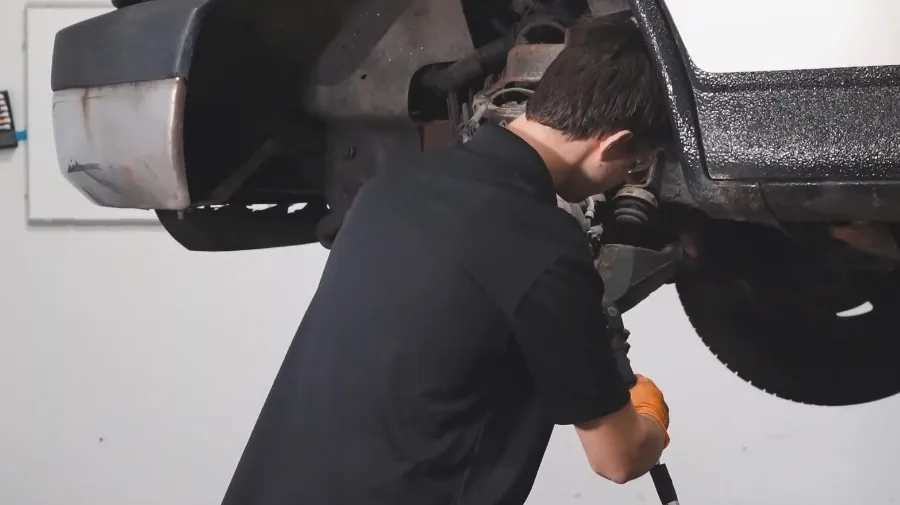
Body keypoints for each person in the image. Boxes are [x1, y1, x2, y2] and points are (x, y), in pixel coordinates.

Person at [221, 14, 672, 505]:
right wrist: (648, 418)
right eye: (633, 163)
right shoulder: (544, 249)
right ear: (615, 144)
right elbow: (618, 458)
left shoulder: (394, 186)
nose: (627, 175)